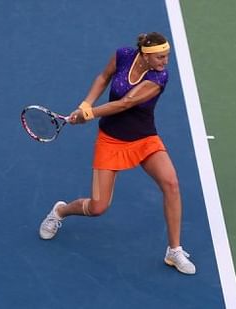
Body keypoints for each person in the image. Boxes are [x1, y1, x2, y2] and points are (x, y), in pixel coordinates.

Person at [38, 32, 196, 275]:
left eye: (167, 56)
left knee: (171, 183)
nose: (165, 62)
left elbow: (125, 103)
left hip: (145, 139)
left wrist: (89, 115)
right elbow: (103, 77)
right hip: (110, 141)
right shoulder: (123, 55)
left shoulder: (159, 77)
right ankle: (60, 211)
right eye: (161, 57)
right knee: (98, 207)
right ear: (145, 54)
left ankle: (174, 250)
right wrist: (85, 104)